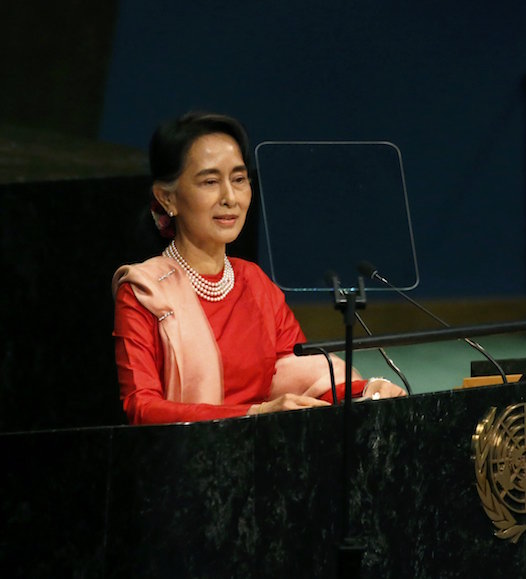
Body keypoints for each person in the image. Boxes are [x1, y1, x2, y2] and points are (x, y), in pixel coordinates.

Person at [112, 112, 406, 425]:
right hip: (187, 460)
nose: (230, 198)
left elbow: (301, 373)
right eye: (210, 182)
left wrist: (365, 392)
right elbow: (141, 407)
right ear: (167, 197)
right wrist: (254, 414)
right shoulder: (144, 291)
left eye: (239, 180)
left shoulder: (255, 283)